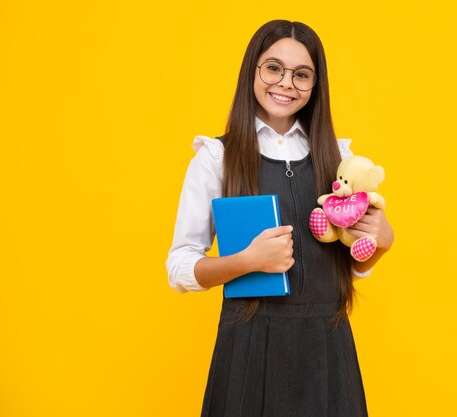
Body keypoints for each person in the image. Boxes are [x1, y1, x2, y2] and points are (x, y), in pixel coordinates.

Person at [166, 20, 394, 417]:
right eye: (273, 68)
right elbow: (180, 265)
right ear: (252, 70)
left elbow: (351, 265)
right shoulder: (215, 158)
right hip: (247, 347)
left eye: (302, 75)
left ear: (315, 85)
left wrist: (380, 244)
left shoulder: (338, 159)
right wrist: (247, 262)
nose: (286, 83)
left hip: (326, 342)